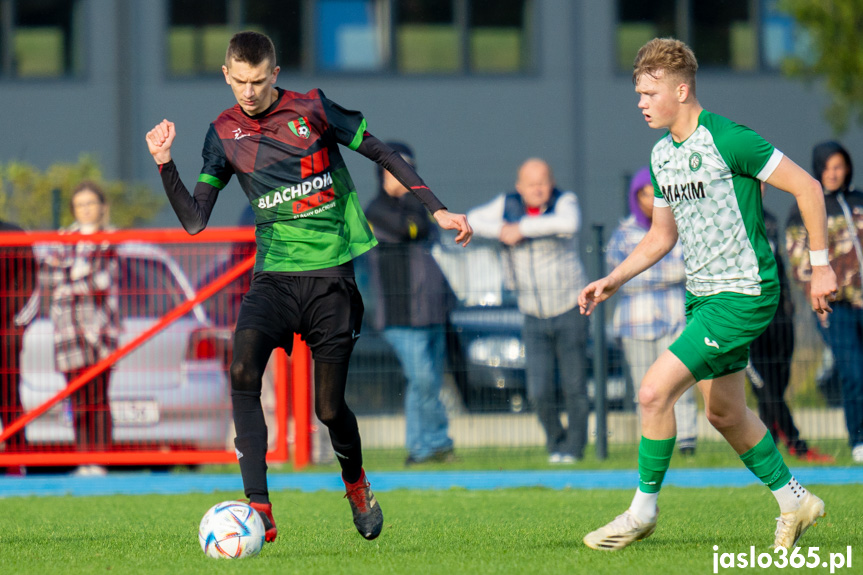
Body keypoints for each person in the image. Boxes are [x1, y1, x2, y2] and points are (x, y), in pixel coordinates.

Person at [145, 31, 472, 543]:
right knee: (241, 368)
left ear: (273, 74)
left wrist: (439, 208)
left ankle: (357, 483)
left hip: (331, 280)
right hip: (273, 279)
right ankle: (260, 508)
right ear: (226, 75)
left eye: (258, 81)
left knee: (328, 409)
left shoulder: (314, 109)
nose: (248, 93)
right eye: (239, 82)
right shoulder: (222, 133)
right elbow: (194, 221)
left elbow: (382, 153)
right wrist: (165, 163)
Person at [578, 38, 838, 551]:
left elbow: (808, 188)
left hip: (743, 293)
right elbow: (660, 237)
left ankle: (641, 512)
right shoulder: (660, 156)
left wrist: (823, 267)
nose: (641, 102)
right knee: (724, 414)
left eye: (649, 92)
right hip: (703, 297)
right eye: (638, 93)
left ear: (682, 89)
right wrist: (613, 279)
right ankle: (795, 501)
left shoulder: (729, 138)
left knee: (653, 392)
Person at [468, 158, 589, 464]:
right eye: (530, 183)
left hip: (569, 307)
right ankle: (555, 443)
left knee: (574, 385)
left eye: (543, 182)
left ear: (551, 183)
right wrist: (503, 229)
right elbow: (473, 219)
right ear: (519, 187)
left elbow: (569, 224)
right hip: (531, 313)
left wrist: (521, 228)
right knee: (538, 389)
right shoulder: (506, 204)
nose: (537, 189)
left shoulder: (565, 201)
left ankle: (575, 449)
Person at [364, 142, 456, 466]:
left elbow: (422, 227)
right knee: (423, 380)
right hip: (400, 314)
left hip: (430, 309)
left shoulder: (418, 206)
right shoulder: (376, 209)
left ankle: (425, 447)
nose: (405, 178)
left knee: (424, 383)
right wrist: (417, 209)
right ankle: (432, 442)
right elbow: (411, 229)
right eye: (398, 170)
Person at [607, 167, 697, 456]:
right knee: (644, 390)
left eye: (654, 192)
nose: (650, 199)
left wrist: (641, 269)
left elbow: (687, 268)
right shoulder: (622, 234)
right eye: (644, 193)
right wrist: (660, 270)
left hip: (674, 319)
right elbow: (619, 276)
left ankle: (686, 441)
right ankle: (652, 443)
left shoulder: (681, 225)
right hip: (636, 324)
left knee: (679, 385)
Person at [786, 141, 863, 463]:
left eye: (839, 167)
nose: (834, 174)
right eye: (828, 167)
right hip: (837, 307)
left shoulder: (858, 201)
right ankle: (859, 438)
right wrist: (816, 300)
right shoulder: (807, 205)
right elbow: (798, 261)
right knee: (853, 371)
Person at [748, 184, 834, 463]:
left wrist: (788, 304)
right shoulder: (729, 218)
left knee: (777, 384)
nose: (758, 187)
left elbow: (780, 266)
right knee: (765, 388)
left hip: (779, 316)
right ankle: (797, 444)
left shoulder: (770, 218)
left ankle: (770, 445)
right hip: (748, 319)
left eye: (760, 182)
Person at [40, 182, 121, 477]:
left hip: (100, 332)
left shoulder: (110, 239)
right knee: (77, 399)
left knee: (98, 397)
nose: (86, 209)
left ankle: (100, 460)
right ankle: (83, 459)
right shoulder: (63, 239)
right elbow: (49, 278)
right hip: (68, 333)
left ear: (102, 206)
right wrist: (76, 278)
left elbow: (102, 282)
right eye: (80, 204)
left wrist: (70, 280)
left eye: (90, 203)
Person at [0, 219, 37, 475]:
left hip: (6, 337)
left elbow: (31, 284)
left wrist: (15, 327)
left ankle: (16, 464)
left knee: (9, 398)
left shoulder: (14, 233)